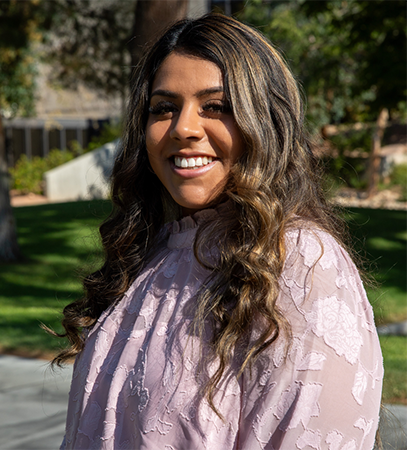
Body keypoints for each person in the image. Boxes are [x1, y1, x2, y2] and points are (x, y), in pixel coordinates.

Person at [55, 13, 383, 450]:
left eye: (216, 107)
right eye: (164, 108)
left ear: (264, 123)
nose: (183, 128)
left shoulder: (300, 263)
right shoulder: (151, 253)